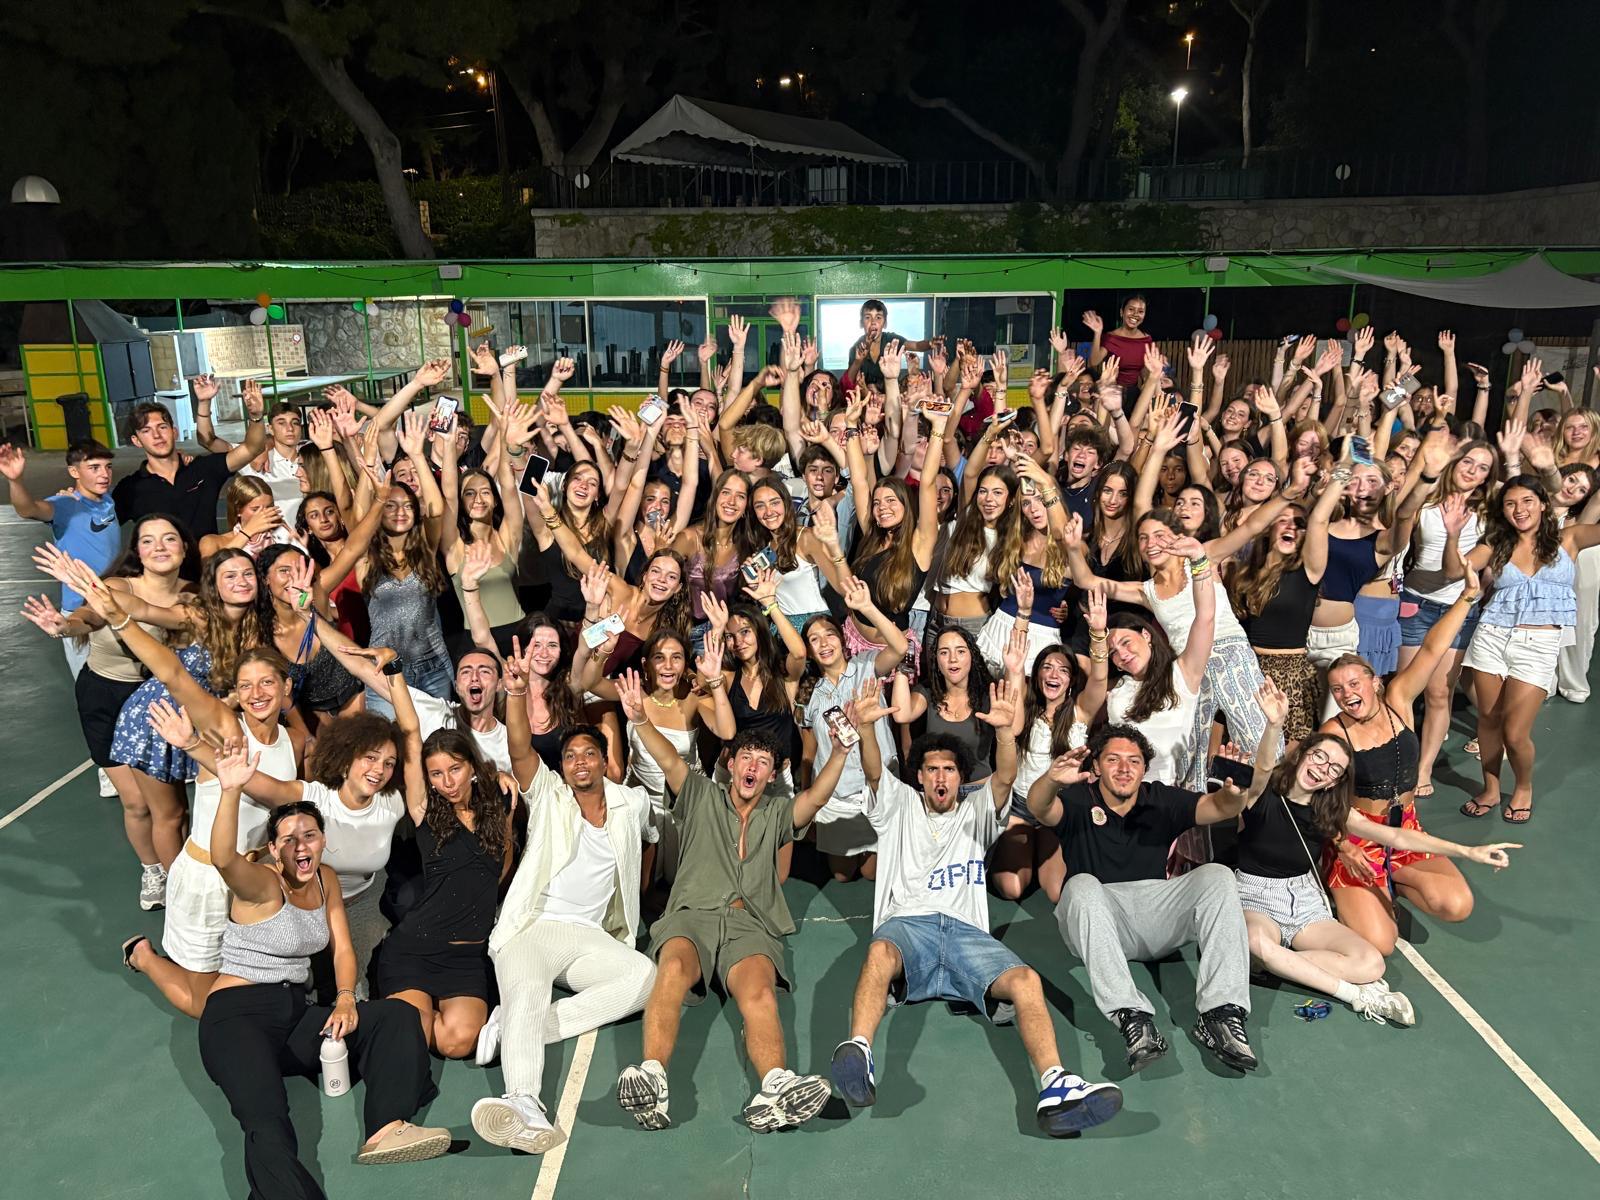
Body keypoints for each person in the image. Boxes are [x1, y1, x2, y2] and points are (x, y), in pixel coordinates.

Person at [829, 678, 1124, 1135]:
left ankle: (1056, 1086)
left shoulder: (976, 810)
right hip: (910, 926)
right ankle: (860, 1053)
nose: (940, 777)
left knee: (1026, 980)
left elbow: (1005, 775)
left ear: (960, 777)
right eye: (931, 769)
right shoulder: (899, 803)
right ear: (920, 776)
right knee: (879, 953)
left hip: (968, 936)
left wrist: (1006, 734)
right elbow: (872, 772)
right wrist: (867, 731)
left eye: (949, 769)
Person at [189, 741, 447, 1197]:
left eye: (309, 835)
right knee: (268, 1123)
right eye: (287, 839)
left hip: (293, 1015)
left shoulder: (325, 877)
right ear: (273, 849)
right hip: (237, 1018)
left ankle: (386, 1127)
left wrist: (347, 997)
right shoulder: (262, 883)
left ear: (322, 841)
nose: (299, 845)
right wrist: (230, 790)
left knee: (396, 1016)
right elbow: (225, 858)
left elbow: (343, 950)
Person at [611, 669, 860, 1133]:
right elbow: (668, 761)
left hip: (751, 925)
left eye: (763, 761)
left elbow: (817, 797)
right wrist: (641, 719)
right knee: (673, 970)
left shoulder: (778, 812)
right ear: (730, 762)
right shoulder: (701, 794)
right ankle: (654, 1078)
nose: (752, 765)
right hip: (693, 915)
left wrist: (843, 750)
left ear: (772, 773)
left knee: (759, 993)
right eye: (746, 755)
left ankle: (774, 1086)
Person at [1235, 678, 1519, 1024]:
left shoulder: (1332, 811)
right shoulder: (1262, 794)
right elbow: (1263, 767)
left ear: (1335, 781)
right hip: (1255, 896)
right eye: (1318, 756)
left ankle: (1274, 966)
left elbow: (1397, 838)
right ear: (1302, 756)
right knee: (1258, 941)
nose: (1321, 767)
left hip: (1304, 898)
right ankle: (1356, 997)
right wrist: (1274, 724)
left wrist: (1467, 851)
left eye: (1333, 768)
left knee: (1372, 962)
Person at [470, 645, 656, 1154]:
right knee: (529, 992)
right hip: (533, 926)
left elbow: (661, 792)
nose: (577, 762)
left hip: (588, 937)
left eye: (587, 754)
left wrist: (639, 724)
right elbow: (520, 750)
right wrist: (513, 694)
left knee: (643, 978)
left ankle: (518, 1028)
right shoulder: (549, 795)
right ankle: (523, 1101)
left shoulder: (626, 805)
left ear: (603, 762)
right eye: (570, 755)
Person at [1028, 725, 1259, 1073]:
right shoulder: (1077, 800)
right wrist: (1051, 779)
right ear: (1097, 767)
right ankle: (1132, 1017)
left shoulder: (1159, 799)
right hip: (1099, 922)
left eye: (1133, 761)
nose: (1124, 768)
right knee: (1080, 885)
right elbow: (1039, 807)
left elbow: (1219, 808)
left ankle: (1222, 1014)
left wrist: (1237, 790)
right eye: (1113, 760)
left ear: (1144, 768)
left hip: (1156, 915)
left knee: (1218, 876)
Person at [21, 515, 195, 906]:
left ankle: (180, 875)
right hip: (104, 696)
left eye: (170, 538)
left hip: (153, 701)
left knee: (165, 807)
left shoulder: (192, 597)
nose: (160, 547)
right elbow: (90, 616)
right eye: (149, 541)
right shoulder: (114, 587)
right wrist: (64, 625)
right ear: (138, 551)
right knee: (135, 802)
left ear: (185, 547)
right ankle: (152, 870)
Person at [1320, 562, 1484, 956]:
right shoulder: (1333, 734)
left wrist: (1467, 597)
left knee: (1457, 905)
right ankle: (1345, 887)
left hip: (1407, 830)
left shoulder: (1398, 701)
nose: (1347, 694)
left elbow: (1432, 649)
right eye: (1338, 690)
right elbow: (1320, 804)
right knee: (1381, 945)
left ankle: (1394, 879)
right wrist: (1344, 847)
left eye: (1354, 683)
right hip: (1359, 839)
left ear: (1375, 682)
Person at [372, 671, 519, 1059]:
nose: (447, 782)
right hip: (414, 948)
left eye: (454, 769)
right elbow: (409, 729)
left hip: (465, 956)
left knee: (458, 1043)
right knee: (415, 1038)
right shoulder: (425, 810)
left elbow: (501, 866)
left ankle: (396, 1018)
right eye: (436, 774)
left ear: (471, 766)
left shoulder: (499, 804)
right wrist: (395, 674)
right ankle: (392, 1017)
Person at [1452, 481, 1600, 821]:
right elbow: (1453, 568)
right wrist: (1452, 535)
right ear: (1502, 511)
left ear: (1544, 504)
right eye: (1510, 504)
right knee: (1488, 722)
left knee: (1516, 733)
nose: (1519, 509)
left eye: (1528, 501)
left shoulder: (1570, 538)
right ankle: (1490, 788)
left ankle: (1523, 786)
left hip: (1538, 646)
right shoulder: (1496, 544)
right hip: (1492, 636)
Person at [989, 596, 1110, 903]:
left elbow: (1099, 677)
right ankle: (1006, 846)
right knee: (1011, 888)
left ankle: (1043, 847)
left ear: (1070, 681)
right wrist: (1014, 670)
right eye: (1047, 667)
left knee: (1058, 893)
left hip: (1059, 811)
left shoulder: (1081, 712)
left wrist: (1098, 633)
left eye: (1062, 670)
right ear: (1039, 675)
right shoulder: (1027, 709)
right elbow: (1012, 727)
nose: (1054, 674)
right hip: (1021, 809)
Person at [798, 580, 910, 881]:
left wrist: (866, 607)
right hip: (837, 796)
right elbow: (809, 753)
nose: (823, 644)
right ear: (808, 651)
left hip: (877, 788)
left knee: (874, 875)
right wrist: (809, 802)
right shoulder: (809, 695)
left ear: (843, 640)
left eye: (829, 635)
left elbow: (900, 646)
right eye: (814, 639)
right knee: (842, 877)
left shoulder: (866, 667)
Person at [1, 439, 119, 676]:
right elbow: (28, 509)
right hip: (80, 608)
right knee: (87, 682)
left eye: (107, 467)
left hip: (111, 602)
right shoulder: (64, 504)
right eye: (94, 468)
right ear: (74, 472)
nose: (104, 474)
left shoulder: (106, 500)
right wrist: (15, 480)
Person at [113, 388, 268, 543]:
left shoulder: (203, 469)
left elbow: (251, 448)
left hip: (206, 563)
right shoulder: (130, 488)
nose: (157, 435)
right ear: (136, 441)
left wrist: (256, 416)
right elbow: (99, 531)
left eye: (162, 427)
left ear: (175, 432)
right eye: (146, 430)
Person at [1084, 298, 1152, 388]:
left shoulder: (1146, 340)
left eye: (1140, 311)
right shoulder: (1111, 338)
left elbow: (1144, 369)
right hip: (1110, 391)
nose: (1135, 314)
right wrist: (1097, 333)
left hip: (1134, 393)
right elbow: (1094, 361)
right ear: (1121, 312)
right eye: (1131, 309)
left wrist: (1147, 383)